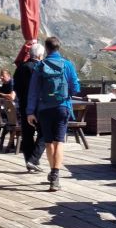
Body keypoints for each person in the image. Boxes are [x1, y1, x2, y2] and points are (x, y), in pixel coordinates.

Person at [24, 36, 80, 192]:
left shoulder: (40, 66)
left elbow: (33, 92)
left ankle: (52, 172)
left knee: (49, 142)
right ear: (58, 48)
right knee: (59, 142)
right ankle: (55, 176)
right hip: (62, 107)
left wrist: (30, 112)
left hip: (44, 109)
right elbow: (75, 88)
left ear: (46, 49)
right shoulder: (67, 65)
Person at [12, 44, 47, 173]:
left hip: (23, 105)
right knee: (43, 132)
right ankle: (34, 159)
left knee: (27, 134)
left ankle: (29, 162)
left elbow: (15, 87)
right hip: (38, 106)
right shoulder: (40, 68)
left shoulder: (20, 68)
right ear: (39, 55)